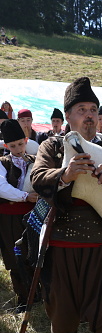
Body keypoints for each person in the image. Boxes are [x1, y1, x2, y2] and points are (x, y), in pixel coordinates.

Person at [30, 77, 102, 333]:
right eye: (82, 110)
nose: (89, 116)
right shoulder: (52, 146)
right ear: (68, 116)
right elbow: (37, 178)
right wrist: (65, 175)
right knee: (63, 325)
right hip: (62, 250)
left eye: (93, 110)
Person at [0, 119, 39, 312]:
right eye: (13, 146)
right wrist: (25, 196)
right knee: (15, 257)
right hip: (9, 219)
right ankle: (23, 298)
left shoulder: (35, 161)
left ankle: (37, 294)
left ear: (26, 140)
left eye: (21, 144)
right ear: (6, 146)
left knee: (34, 254)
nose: (18, 149)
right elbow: (2, 188)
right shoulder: (2, 163)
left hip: (32, 216)